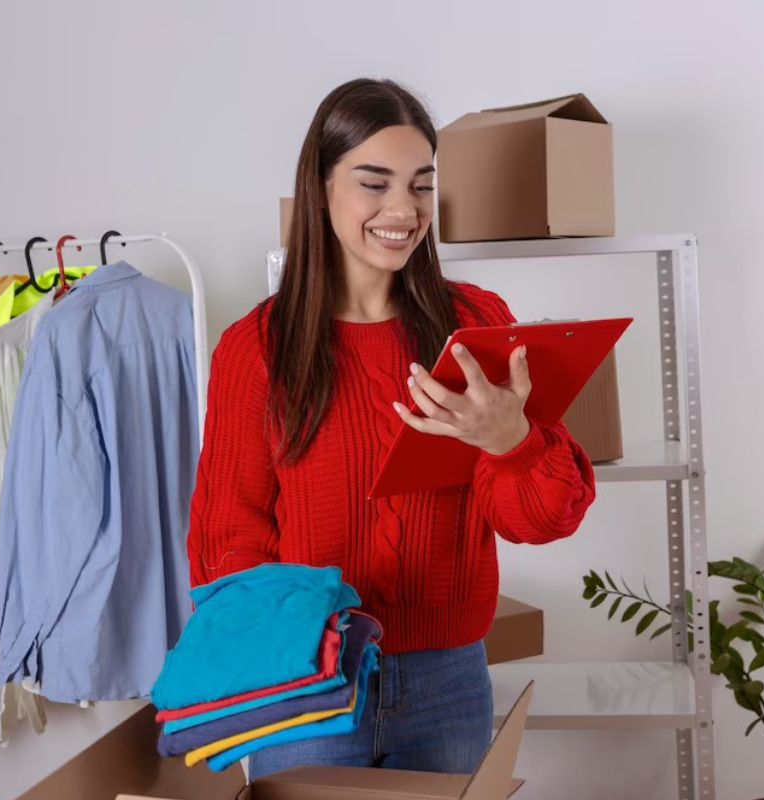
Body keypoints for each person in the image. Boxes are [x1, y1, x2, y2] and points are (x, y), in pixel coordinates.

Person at [186, 78, 597, 778]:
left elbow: (543, 518)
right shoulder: (257, 349)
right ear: (320, 189)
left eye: (422, 185)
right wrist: (305, 637)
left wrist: (511, 443)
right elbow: (228, 536)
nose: (403, 211)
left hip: (449, 681)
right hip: (307, 687)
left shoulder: (475, 325)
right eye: (373, 184)